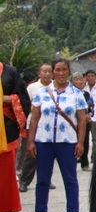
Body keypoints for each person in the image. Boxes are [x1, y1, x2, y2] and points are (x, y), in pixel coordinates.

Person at [27, 58, 87, 212]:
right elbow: (34, 118)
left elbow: (81, 120)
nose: (61, 73)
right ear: (53, 72)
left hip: (67, 142)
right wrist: (31, 141)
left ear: (68, 71)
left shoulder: (77, 94)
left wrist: (80, 142)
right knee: (43, 179)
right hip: (43, 141)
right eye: (57, 70)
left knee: (70, 178)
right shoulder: (42, 93)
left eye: (64, 70)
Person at [18, 63, 56, 193]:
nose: (47, 74)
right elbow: (25, 104)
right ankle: (24, 181)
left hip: (51, 126)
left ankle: (47, 179)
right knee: (31, 154)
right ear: (39, 73)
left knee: (49, 154)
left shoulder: (56, 86)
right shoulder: (32, 88)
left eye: (49, 71)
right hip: (34, 125)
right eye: (44, 71)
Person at [1, 62, 30, 212]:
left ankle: (3, 210)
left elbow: (23, 98)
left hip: (5, 130)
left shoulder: (10, 72)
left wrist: (7, 99)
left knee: (4, 173)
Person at [15, 72, 36, 175]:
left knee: (25, 146)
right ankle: (18, 168)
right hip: (22, 122)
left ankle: (20, 167)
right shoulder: (27, 89)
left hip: (30, 122)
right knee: (20, 147)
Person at [72, 72, 93, 171]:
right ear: (72, 82)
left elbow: (91, 106)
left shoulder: (87, 94)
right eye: (76, 79)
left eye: (81, 79)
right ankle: (72, 162)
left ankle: (85, 164)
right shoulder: (71, 94)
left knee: (85, 142)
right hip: (73, 122)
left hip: (85, 122)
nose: (79, 81)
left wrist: (89, 115)